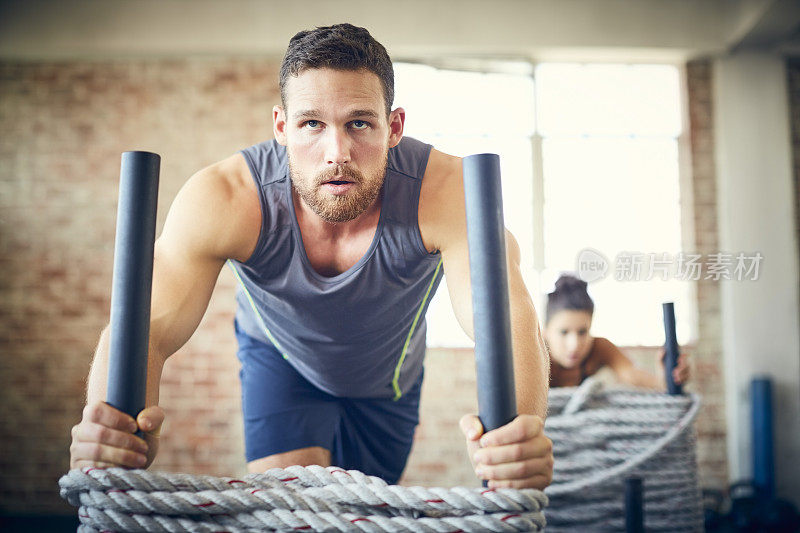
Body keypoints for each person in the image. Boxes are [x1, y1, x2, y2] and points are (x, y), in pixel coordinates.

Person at [69, 23, 553, 490]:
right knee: (294, 509)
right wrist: (112, 426)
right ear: (282, 126)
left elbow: (508, 317)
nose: (335, 151)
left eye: (359, 123)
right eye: (312, 124)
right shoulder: (227, 197)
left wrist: (521, 433)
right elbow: (145, 324)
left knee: (360, 513)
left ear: (394, 126)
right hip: (281, 365)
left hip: (387, 381)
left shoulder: (445, 193)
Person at [544, 274, 690, 389]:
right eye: (563, 332)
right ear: (545, 331)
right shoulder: (535, 356)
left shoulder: (598, 347)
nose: (574, 345)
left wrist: (665, 380)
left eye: (582, 332)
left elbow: (632, 375)